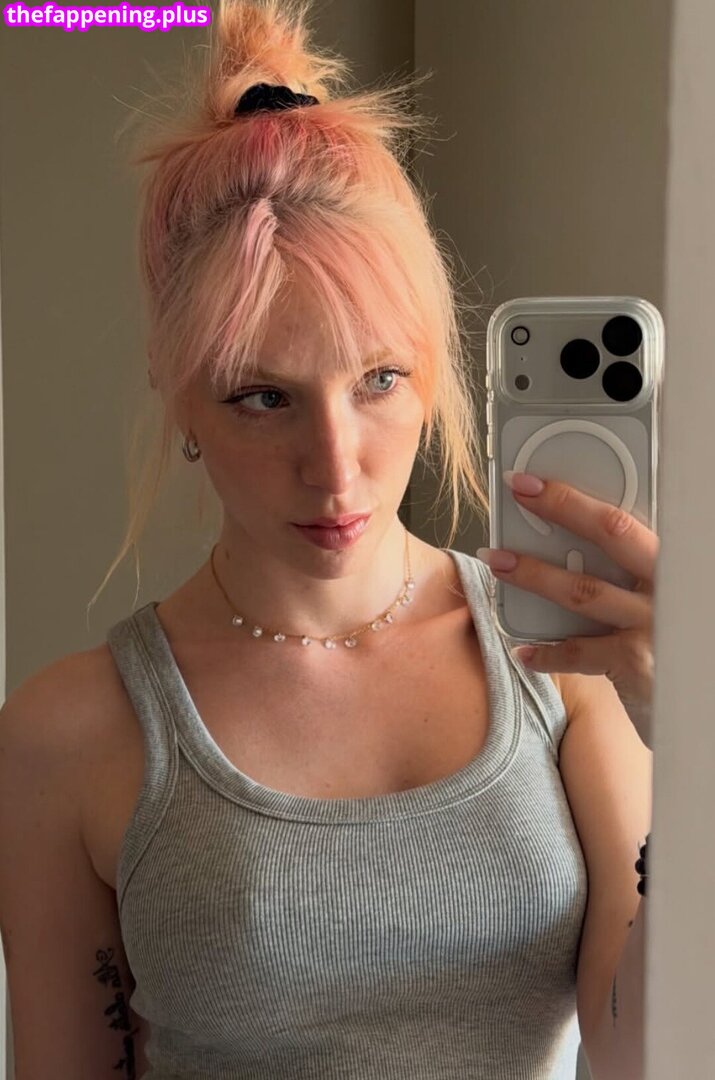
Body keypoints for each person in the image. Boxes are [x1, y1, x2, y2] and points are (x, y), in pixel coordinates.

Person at [0, 1, 654, 1077]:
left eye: (378, 380)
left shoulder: (566, 666)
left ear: (432, 367)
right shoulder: (66, 737)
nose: (337, 466)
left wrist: (687, 743)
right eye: (263, 397)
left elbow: (644, 1055)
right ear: (177, 389)